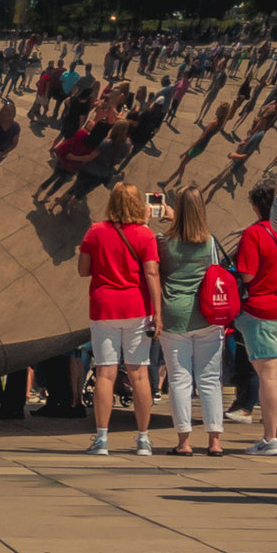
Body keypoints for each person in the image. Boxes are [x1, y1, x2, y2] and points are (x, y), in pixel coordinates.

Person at [79, 184, 161, 455]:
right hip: (137, 306)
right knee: (139, 373)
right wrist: (158, 313)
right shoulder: (145, 234)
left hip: (104, 307)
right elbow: (151, 273)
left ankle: (102, 438)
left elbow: (83, 270)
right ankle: (143, 439)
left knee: (105, 371)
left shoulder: (96, 231)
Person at [156, 188, 229, 457]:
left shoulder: (163, 242)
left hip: (174, 314)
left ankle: (184, 441)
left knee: (179, 379)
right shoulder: (209, 242)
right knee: (210, 379)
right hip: (207, 315)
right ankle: (214, 440)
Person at [231, 176, 277, 453]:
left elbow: (247, 275)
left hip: (262, 311)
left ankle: (270, 438)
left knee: (270, 375)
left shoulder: (255, 234)